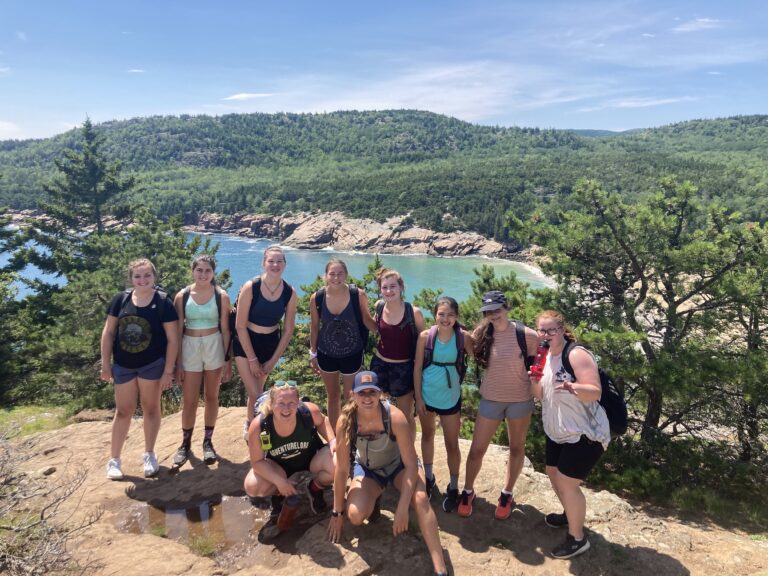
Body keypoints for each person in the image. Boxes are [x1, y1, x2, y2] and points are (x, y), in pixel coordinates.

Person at [327, 371, 448, 576]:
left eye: (372, 392)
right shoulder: (346, 421)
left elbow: (410, 465)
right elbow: (341, 470)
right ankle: (375, 496)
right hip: (369, 470)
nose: (367, 397)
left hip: (399, 466)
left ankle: (440, 567)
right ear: (352, 395)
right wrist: (337, 512)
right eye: (361, 392)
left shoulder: (395, 417)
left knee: (419, 499)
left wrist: (402, 508)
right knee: (355, 516)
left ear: (380, 393)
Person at [529, 310, 610, 559]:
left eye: (552, 330)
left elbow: (594, 391)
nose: (546, 335)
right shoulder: (544, 357)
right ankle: (569, 513)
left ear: (562, 330)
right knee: (553, 473)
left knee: (567, 483)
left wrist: (573, 387)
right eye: (542, 330)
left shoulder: (575, 354)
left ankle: (577, 538)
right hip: (558, 430)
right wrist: (533, 379)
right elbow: (540, 395)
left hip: (585, 432)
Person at [457, 290, 538, 520]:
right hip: (491, 398)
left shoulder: (527, 335)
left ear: (506, 308)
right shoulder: (482, 333)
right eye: (488, 311)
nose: (493, 314)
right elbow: (475, 355)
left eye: (497, 310)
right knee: (477, 450)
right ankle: (468, 490)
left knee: (516, 448)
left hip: (520, 400)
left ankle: (506, 494)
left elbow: (539, 364)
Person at [100, 258, 178, 480]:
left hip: (152, 365)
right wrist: (106, 364)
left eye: (147, 275)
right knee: (123, 410)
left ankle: (150, 454)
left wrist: (168, 372)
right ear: (131, 278)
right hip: (123, 365)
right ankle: (114, 460)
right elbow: (108, 333)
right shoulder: (120, 300)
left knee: (150, 408)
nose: (142, 280)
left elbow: (173, 339)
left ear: (154, 276)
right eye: (137, 276)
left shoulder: (163, 302)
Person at [244, 380, 336, 536]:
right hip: (279, 466)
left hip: (311, 458)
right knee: (253, 486)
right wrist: (279, 482)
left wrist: (332, 440)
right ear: (271, 404)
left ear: (298, 402)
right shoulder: (259, 426)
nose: (286, 408)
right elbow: (257, 462)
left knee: (338, 464)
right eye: (281, 403)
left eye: (292, 403)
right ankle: (279, 495)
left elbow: (323, 421)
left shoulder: (308, 412)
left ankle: (314, 487)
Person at [414, 296, 474, 511]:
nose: (445, 319)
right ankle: (429, 478)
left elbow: (482, 357)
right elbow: (417, 368)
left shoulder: (463, 337)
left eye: (450, 315)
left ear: (456, 317)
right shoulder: (425, 337)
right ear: (435, 315)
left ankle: (454, 486)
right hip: (427, 395)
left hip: (450, 397)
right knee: (428, 435)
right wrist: (418, 398)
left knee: (452, 443)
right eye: (441, 314)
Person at [171, 255, 231, 468]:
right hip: (189, 346)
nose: (203, 274)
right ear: (193, 271)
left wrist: (227, 361)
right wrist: (177, 363)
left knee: (212, 396)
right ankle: (185, 444)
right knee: (189, 400)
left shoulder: (221, 296)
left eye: (207, 270)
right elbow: (177, 331)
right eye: (199, 270)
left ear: (213, 273)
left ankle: (207, 441)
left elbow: (226, 330)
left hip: (213, 344)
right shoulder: (183, 295)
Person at [233, 246, 298, 438]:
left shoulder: (289, 292)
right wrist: (252, 359)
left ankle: (249, 423)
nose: (275, 265)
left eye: (279, 261)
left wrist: (273, 360)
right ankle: (259, 429)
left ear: (285, 264)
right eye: (271, 261)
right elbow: (240, 325)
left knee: (258, 389)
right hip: (246, 342)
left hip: (270, 343)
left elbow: (288, 330)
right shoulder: (251, 287)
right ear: (263, 263)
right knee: (256, 392)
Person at [309, 259, 376, 430]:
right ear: (326, 276)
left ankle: (351, 432)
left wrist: (388, 331)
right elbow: (315, 327)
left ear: (346, 275)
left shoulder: (357, 295)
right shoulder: (317, 298)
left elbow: (368, 321)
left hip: (352, 353)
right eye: (332, 274)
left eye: (340, 273)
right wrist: (313, 353)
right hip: (326, 353)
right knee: (332, 395)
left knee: (351, 396)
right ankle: (336, 436)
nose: (336, 277)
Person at [370, 267, 425, 440]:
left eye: (393, 286)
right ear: (380, 290)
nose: (389, 291)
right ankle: (384, 448)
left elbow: (424, 343)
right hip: (380, 364)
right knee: (376, 410)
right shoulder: (378, 307)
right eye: (384, 287)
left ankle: (408, 452)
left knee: (405, 415)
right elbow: (374, 329)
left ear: (401, 287)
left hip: (404, 368)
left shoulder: (413, 313)